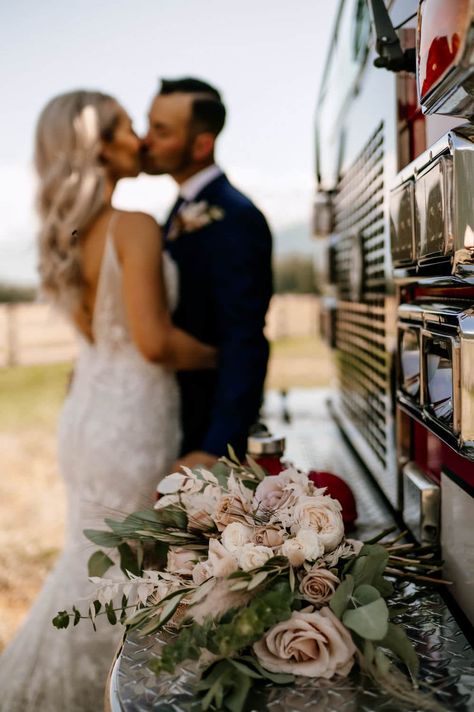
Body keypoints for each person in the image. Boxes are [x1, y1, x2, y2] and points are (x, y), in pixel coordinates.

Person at [0, 90, 216, 712]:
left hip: (87, 416)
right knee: (127, 571)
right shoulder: (134, 226)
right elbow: (153, 342)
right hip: (133, 422)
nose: (140, 140)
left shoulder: (68, 235)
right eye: (126, 128)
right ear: (98, 148)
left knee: (90, 562)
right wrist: (222, 354)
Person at [143, 77, 273, 470]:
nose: (145, 140)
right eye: (148, 125)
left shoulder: (234, 216)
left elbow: (244, 338)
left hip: (201, 431)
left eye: (161, 131)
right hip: (168, 415)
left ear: (201, 145)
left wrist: (215, 446)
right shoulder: (183, 207)